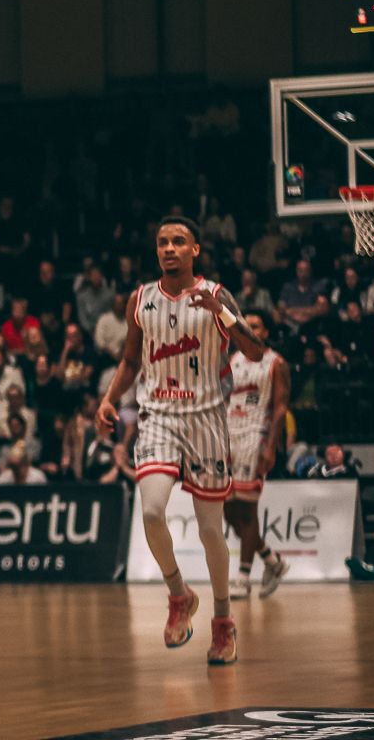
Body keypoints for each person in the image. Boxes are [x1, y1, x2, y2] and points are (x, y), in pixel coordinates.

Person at [97, 216, 266, 668]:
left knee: (212, 529)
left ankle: (224, 621)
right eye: (162, 242)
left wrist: (220, 313)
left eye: (178, 242)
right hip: (158, 417)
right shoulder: (142, 298)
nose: (169, 248)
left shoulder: (217, 293)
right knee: (151, 509)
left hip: (207, 419)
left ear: (195, 250)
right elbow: (131, 361)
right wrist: (109, 400)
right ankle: (178, 593)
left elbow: (254, 352)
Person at [223, 313, 291, 599]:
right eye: (246, 326)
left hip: (255, 435)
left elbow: (279, 408)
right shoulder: (233, 360)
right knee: (227, 510)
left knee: (248, 510)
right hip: (229, 435)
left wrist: (270, 446)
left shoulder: (276, 363)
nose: (249, 330)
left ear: (265, 331)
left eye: (256, 326)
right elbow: (223, 399)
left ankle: (242, 576)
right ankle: (272, 561)